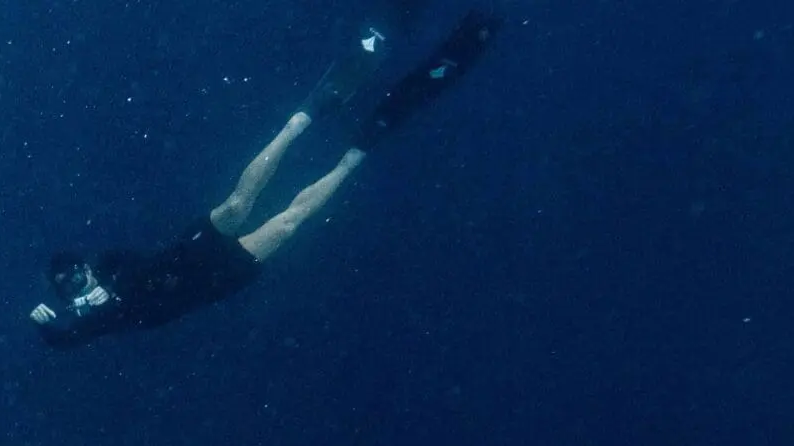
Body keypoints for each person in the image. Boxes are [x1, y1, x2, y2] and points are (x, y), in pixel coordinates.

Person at [31, 10, 504, 349]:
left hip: (185, 253)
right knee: (286, 223)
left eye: (74, 274)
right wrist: (62, 324)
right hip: (216, 282)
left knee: (238, 204)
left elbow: (136, 269)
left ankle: (303, 117)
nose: (74, 284)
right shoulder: (92, 319)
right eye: (66, 285)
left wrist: (109, 288)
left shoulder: (112, 266)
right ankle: (357, 151)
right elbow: (74, 337)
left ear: (85, 266)